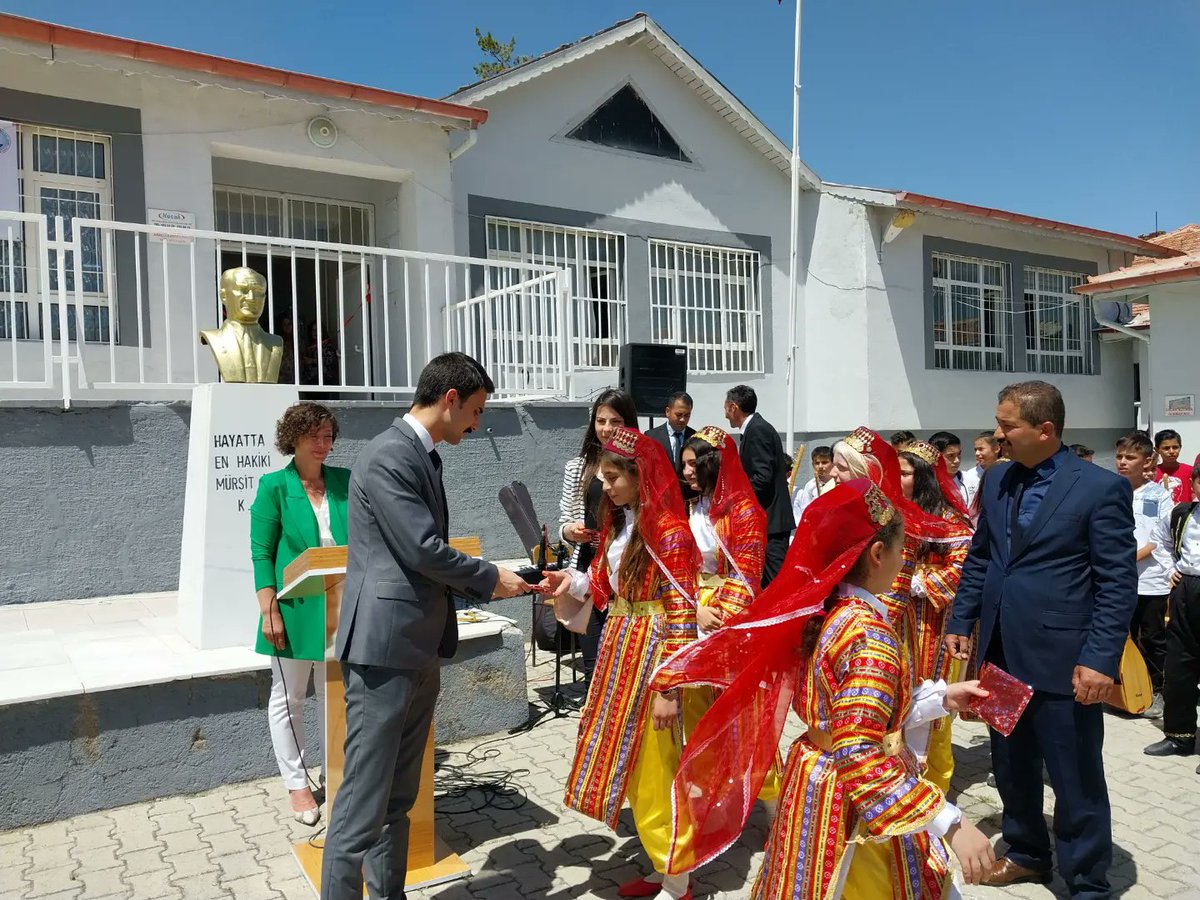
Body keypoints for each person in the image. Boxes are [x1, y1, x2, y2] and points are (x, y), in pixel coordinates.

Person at [652, 480, 995, 898]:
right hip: (856, 802)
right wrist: (951, 823)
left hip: (815, 776)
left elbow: (846, 713)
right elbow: (858, 748)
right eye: (903, 549)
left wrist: (940, 698)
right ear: (877, 554)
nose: (905, 561)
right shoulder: (869, 635)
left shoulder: (823, 613)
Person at [321, 352, 529, 900]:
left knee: (397, 800)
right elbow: (421, 548)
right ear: (450, 398)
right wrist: (490, 578)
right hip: (385, 653)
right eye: (476, 412)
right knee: (360, 809)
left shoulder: (423, 455)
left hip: (417, 650)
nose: (477, 425)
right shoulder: (390, 454)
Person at [945, 380, 1137, 895]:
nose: (997, 435)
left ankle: (1087, 882)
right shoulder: (998, 479)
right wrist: (962, 621)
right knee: (1011, 764)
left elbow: (1117, 582)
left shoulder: (1100, 488)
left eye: (1008, 426)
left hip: (1064, 660)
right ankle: (1028, 852)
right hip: (1002, 655)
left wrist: (1100, 658)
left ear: (1044, 429)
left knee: (1074, 777)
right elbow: (982, 556)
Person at [538, 427, 700, 900]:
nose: (604, 486)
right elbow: (602, 584)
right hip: (620, 647)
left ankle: (679, 879)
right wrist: (566, 582)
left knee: (656, 769)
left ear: (639, 475)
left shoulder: (668, 531)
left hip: (652, 652)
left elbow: (683, 609)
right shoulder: (621, 523)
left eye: (612, 478)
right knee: (631, 766)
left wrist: (669, 688)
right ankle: (660, 865)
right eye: (603, 478)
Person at [250, 402, 349, 826]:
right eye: (316, 437)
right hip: (293, 609)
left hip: (343, 605)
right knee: (289, 697)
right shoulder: (274, 486)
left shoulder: (345, 481)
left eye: (329, 436)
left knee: (337, 694)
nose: (325, 445)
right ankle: (297, 784)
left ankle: (337, 773)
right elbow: (262, 553)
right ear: (294, 439)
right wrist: (268, 610)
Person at [895, 441, 974, 791]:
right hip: (894, 617)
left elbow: (962, 568)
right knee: (896, 699)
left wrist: (914, 581)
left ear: (924, 478)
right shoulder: (893, 512)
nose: (897, 478)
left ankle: (935, 788)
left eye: (905, 473)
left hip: (931, 622)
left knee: (933, 704)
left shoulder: (949, 519)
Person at [557, 388, 640, 689]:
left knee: (626, 663)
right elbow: (563, 521)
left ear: (628, 423)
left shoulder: (642, 465)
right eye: (600, 421)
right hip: (589, 566)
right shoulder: (577, 467)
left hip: (629, 570)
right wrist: (570, 531)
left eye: (615, 421)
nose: (606, 429)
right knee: (594, 662)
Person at [1115, 431, 1174, 720]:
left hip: (1150, 581)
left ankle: (1158, 690)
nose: (1123, 462)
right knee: (1118, 635)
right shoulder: (1110, 490)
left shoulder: (1158, 495)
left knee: (1152, 637)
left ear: (1148, 460)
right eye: (1119, 457)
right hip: (1117, 580)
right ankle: (1122, 688)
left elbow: (1158, 539)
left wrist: (1127, 558)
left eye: (1130, 457)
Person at [1145, 467, 1200, 760]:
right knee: (1179, 666)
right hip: (1185, 593)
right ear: (1193, 483)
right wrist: (1171, 569)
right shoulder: (1182, 514)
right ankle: (1179, 737)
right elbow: (1160, 540)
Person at [724, 385, 794, 585]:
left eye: (726, 409)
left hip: (771, 521)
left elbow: (762, 477)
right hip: (767, 521)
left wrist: (735, 496)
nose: (726, 416)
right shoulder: (755, 428)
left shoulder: (758, 430)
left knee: (775, 582)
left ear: (733, 407)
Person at [646, 391, 697, 502]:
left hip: (688, 503)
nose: (683, 419)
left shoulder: (696, 438)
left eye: (687, 415)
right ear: (668, 411)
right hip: (661, 502)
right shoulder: (651, 437)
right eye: (679, 415)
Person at [790, 444, 834, 525]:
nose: (820, 466)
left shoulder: (838, 482)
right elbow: (805, 509)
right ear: (813, 464)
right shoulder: (810, 485)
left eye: (824, 462)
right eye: (817, 463)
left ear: (832, 463)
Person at [962, 431, 1002, 515]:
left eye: (981, 449)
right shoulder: (968, 476)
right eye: (975, 450)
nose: (977, 453)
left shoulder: (1005, 473)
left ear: (997, 449)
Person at [1154, 429, 1193, 503]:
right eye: (1166, 448)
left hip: (1184, 513)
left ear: (1180, 447)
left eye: (1175, 447)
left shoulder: (1190, 471)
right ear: (1157, 449)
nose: (1171, 451)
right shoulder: (1152, 473)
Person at [929, 431, 967, 505]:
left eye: (959, 454)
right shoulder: (925, 484)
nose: (957, 460)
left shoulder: (970, 479)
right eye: (951, 456)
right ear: (936, 457)